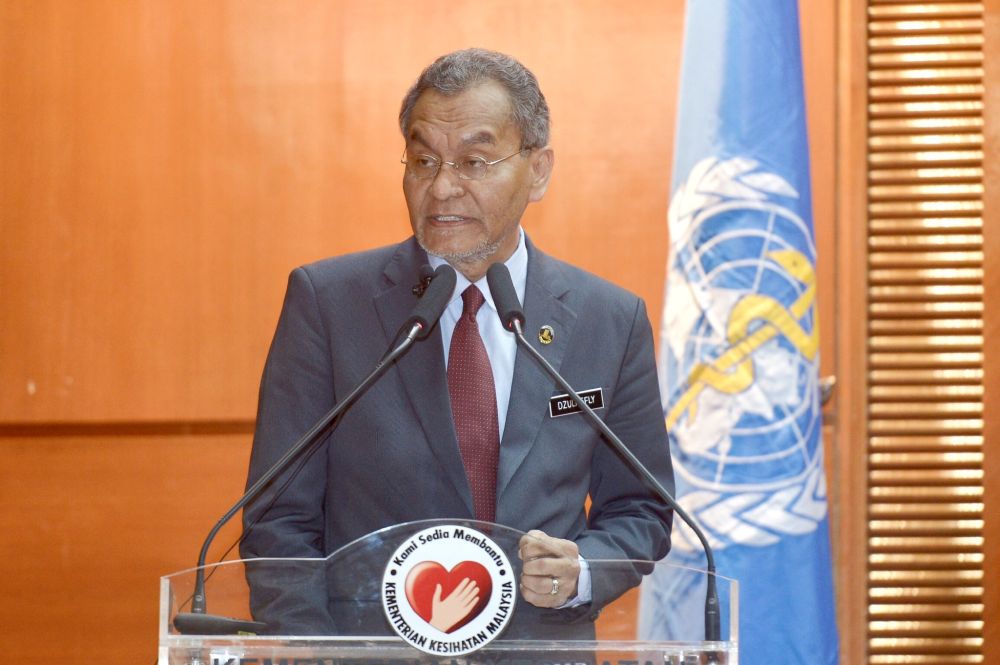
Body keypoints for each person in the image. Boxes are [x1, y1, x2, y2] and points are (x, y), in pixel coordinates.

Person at [240, 47, 674, 638]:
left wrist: (584, 571)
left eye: (474, 161)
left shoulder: (610, 320)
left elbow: (642, 508)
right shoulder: (329, 304)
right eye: (424, 160)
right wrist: (319, 651)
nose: (442, 188)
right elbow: (278, 521)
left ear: (539, 170)